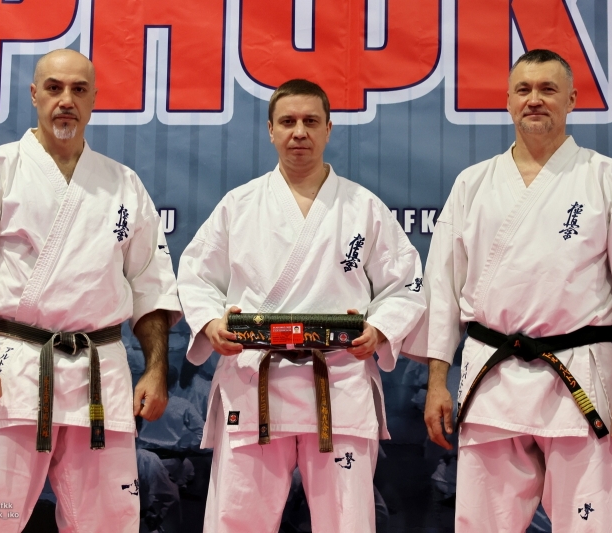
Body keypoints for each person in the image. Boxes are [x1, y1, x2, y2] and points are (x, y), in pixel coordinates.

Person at [403, 49, 612, 531]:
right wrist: (437, 383)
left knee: (591, 524)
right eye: (523, 90)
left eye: (548, 89)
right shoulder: (473, 184)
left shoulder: (609, 179)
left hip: (582, 380)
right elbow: (442, 290)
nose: (535, 100)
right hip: (491, 379)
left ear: (572, 100)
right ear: (508, 101)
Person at [0, 49, 182, 532]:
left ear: (93, 100)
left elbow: (151, 285)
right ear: (34, 95)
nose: (66, 100)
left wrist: (156, 371)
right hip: (12, 372)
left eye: (78, 89)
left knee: (110, 523)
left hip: (101, 376)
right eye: (54, 88)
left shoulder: (124, 184)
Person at [177, 79, 426, 533]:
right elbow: (196, 275)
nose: (299, 132)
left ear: (328, 129)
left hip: (339, 380)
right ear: (270, 130)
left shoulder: (363, 207)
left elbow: (406, 283)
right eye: (288, 121)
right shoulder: (239, 205)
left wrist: (379, 330)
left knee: (348, 522)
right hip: (255, 379)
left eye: (311, 121)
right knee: (237, 521)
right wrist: (212, 323)